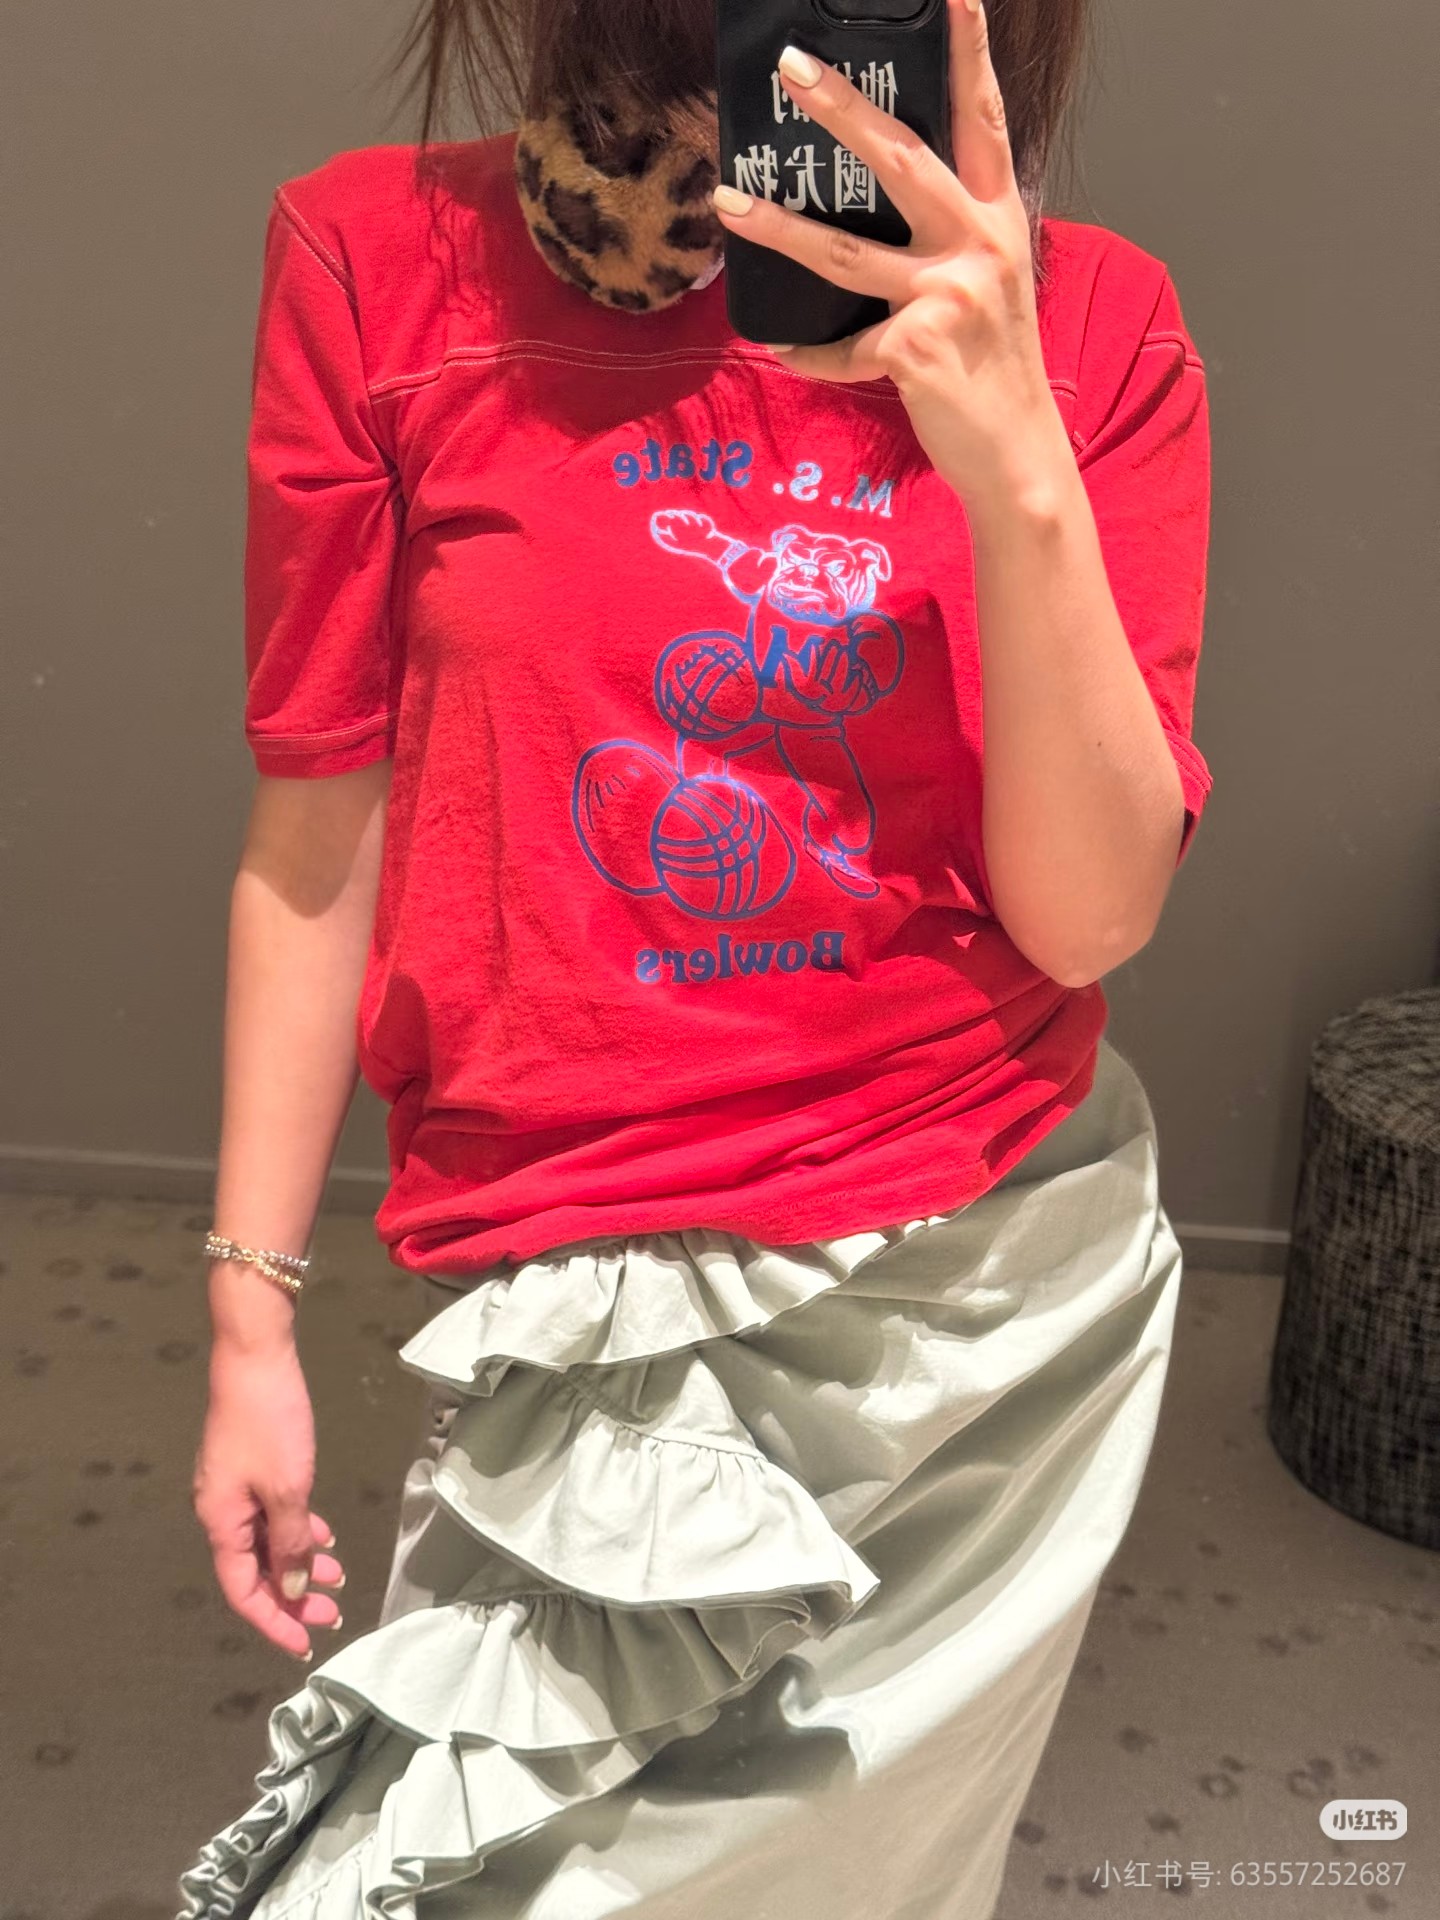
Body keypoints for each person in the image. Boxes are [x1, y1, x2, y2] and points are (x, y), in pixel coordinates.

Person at [179, 0, 1214, 1913]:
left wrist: (1016, 459)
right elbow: (318, 839)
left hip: (984, 1324)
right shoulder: (382, 265)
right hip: (583, 1299)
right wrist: (249, 1320)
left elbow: (1089, 918)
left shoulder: (1094, 328)